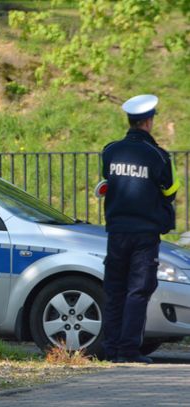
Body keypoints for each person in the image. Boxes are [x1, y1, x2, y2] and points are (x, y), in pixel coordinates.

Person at [100, 94, 180, 364]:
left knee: (114, 290)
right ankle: (128, 350)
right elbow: (171, 190)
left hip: (116, 231)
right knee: (138, 290)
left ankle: (110, 350)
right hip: (144, 234)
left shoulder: (110, 151)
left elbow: (107, 182)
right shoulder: (158, 156)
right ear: (148, 121)